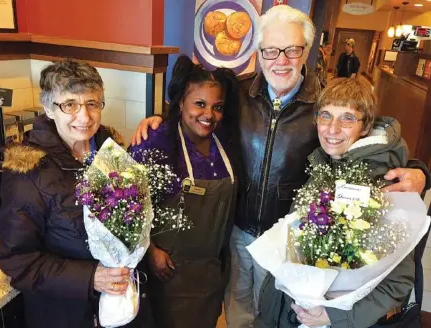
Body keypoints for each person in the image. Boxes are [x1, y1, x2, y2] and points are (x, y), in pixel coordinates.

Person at [130, 5, 429, 327]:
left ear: (306, 51)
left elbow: (371, 137)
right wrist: (159, 120)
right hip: (237, 234)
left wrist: (420, 170)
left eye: (292, 49)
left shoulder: (325, 102)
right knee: (239, 314)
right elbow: (196, 109)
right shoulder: (238, 93)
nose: (281, 60)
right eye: (271, 50)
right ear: (259, 52)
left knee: (278, 317)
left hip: (291, 241)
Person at [0, 59, 147, 328]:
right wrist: (90, 278)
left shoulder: (111, 152)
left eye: (91, 103)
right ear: (48, 108)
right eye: (69, 104)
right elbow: (16, 259)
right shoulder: (28, 172)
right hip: (64, 314)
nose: (84, 117)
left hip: (116, 301)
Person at [255, 76, 415, 328]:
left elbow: (399, 282)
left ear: (365, 126)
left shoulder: (385, 185)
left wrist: (334, 317)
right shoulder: (322, 166)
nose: (332, 128)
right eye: (326, 115)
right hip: (289, 312)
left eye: (348, 118)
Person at [129, 55, 240, 328]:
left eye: (217, 107)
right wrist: (150, 250)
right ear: (181, 102)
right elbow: (127, 206)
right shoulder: (156, 140)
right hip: (169, 273)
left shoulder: (223, 141)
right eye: (199, 104)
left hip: (211, 272)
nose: (208, 114)